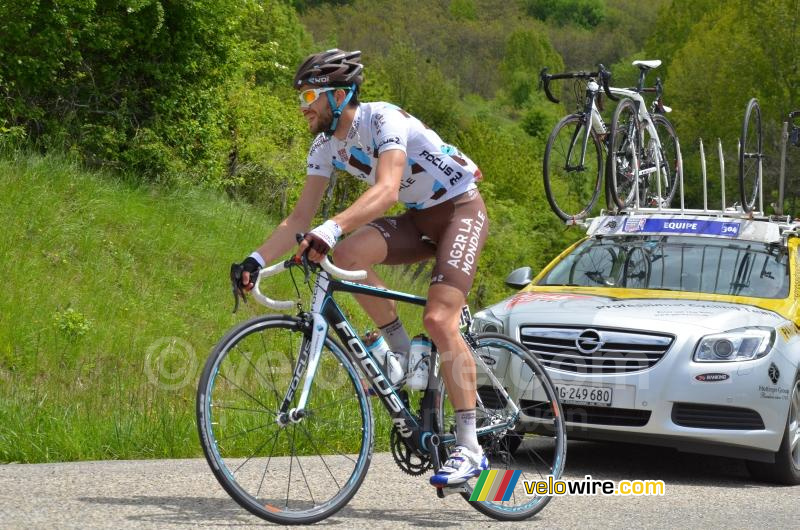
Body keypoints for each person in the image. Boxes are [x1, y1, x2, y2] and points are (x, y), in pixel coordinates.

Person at [234, 49, 489, 487]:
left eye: (310, 96)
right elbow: (298, 219)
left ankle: (470, 447)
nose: (303, 107)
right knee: (348, 256)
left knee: (438, 319)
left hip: (460, 211)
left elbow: (387, 190)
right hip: (418, 219)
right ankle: (402, 355)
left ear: (339, 95)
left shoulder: (382, 119)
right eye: (300, 98)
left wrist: (331, 228)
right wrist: (255, 260)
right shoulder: (325, 146)